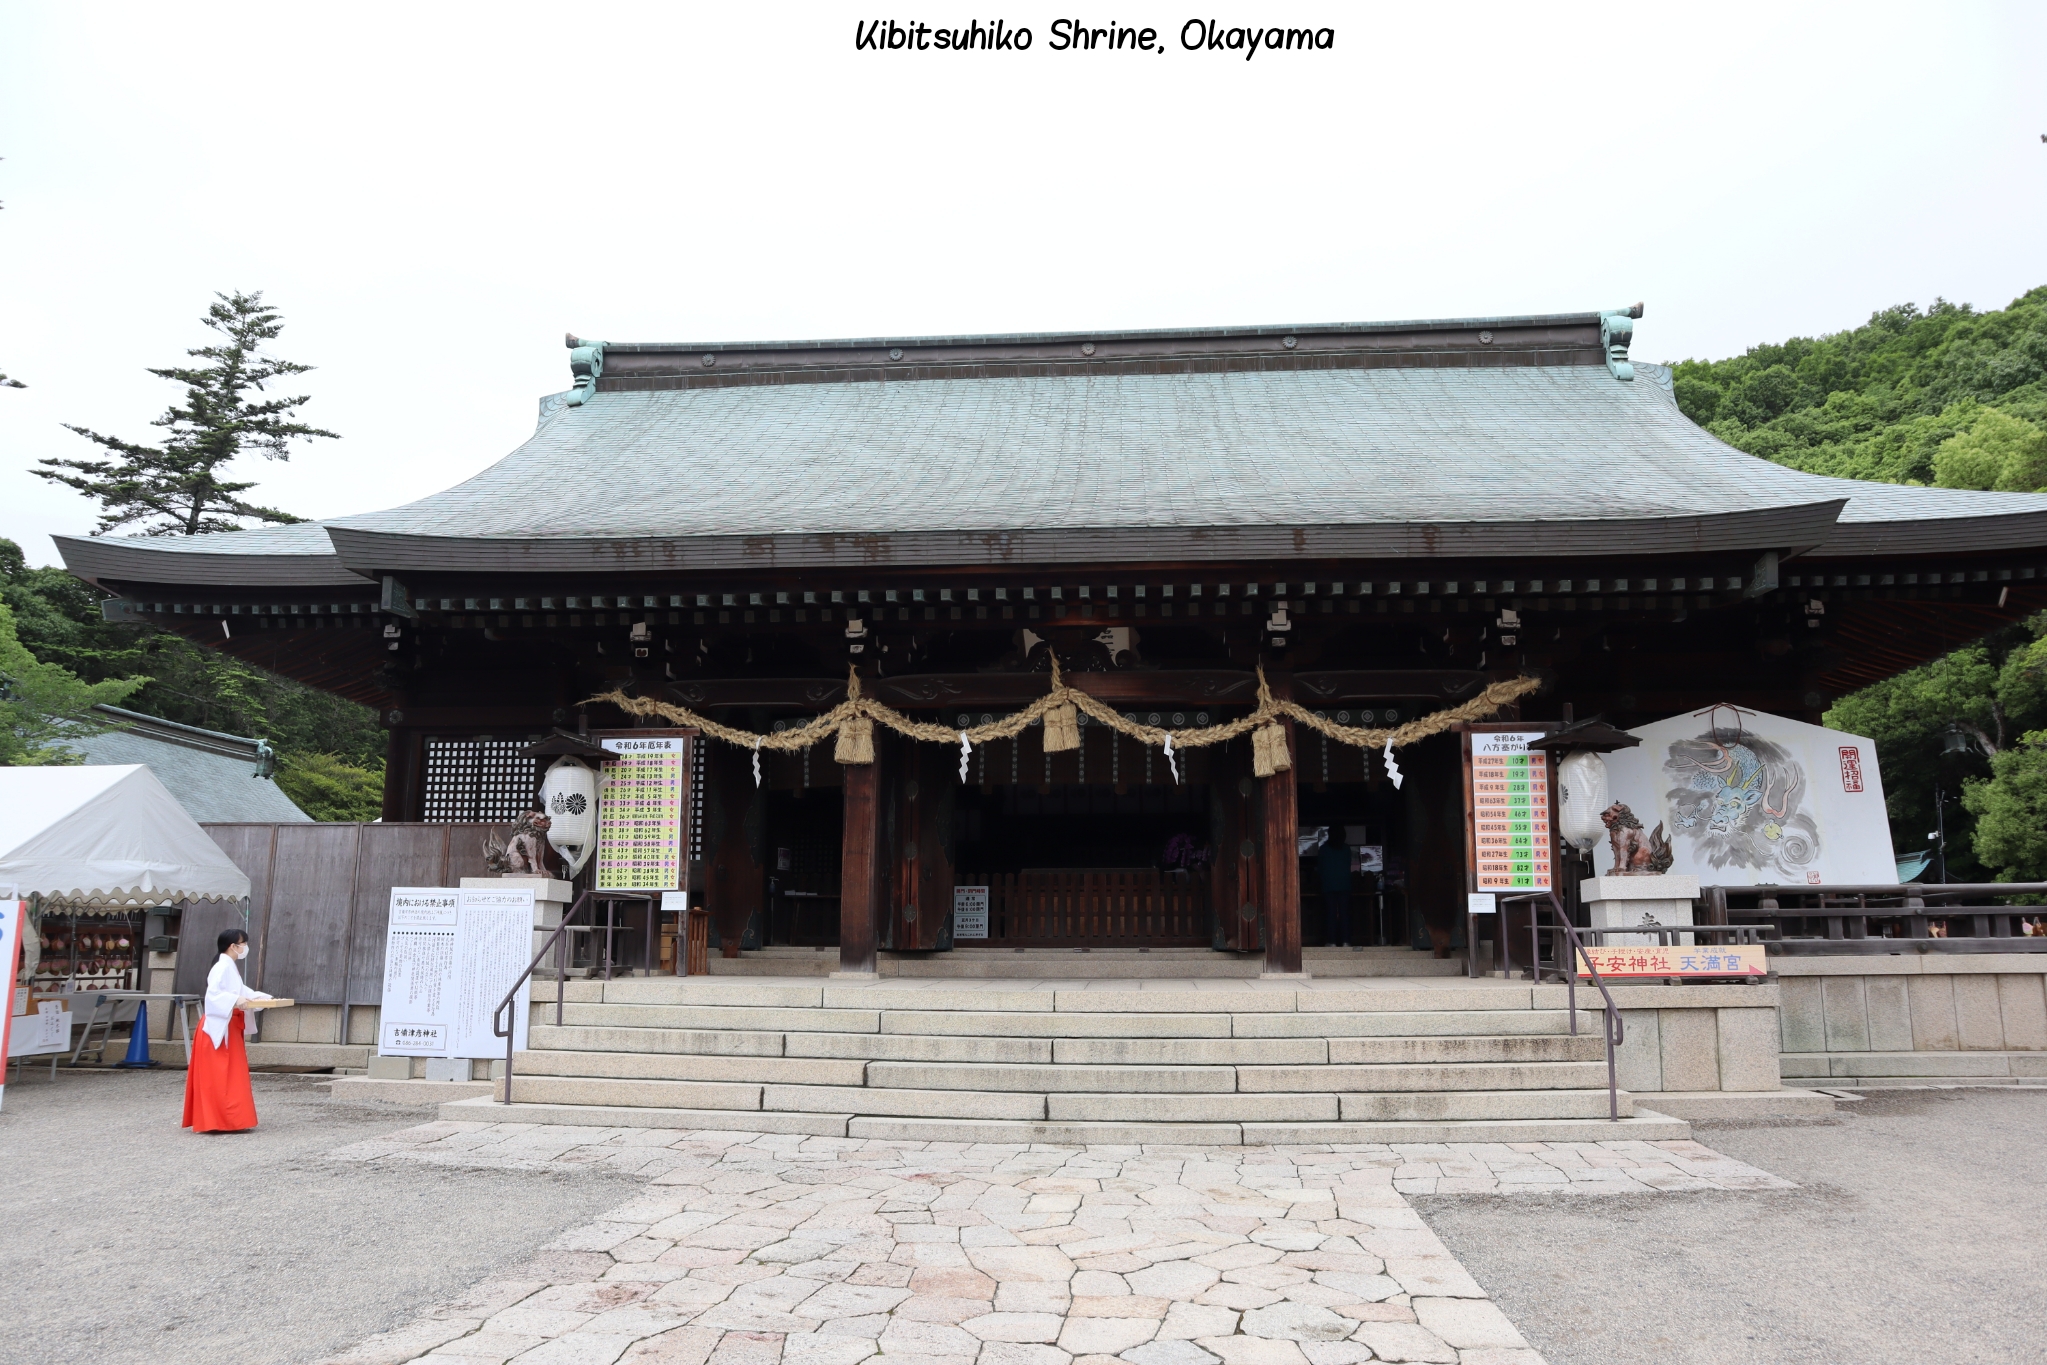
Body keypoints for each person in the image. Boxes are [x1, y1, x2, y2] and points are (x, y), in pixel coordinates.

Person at [182, 927, 271, 1133]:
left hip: (229, 1025)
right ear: (234, 946)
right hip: (219, 1027)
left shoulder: (229, 966)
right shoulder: (221, 967)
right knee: (219, 1076)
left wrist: (260, 998)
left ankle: (232, 1119)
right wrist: (236, 999)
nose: (246, 947)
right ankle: (218, 1120)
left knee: (231, 1075)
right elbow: (213, 995)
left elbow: (242, 992)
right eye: (244, 944)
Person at [1317, 837, 1354, 947]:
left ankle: (1331, 941)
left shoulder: (1324, 849)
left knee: (1330, 913)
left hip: (1328, 885)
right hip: (1344, 884)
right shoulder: (1346, 849)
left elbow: (1320, 868)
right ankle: (1346, 941)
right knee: (1344, 914)